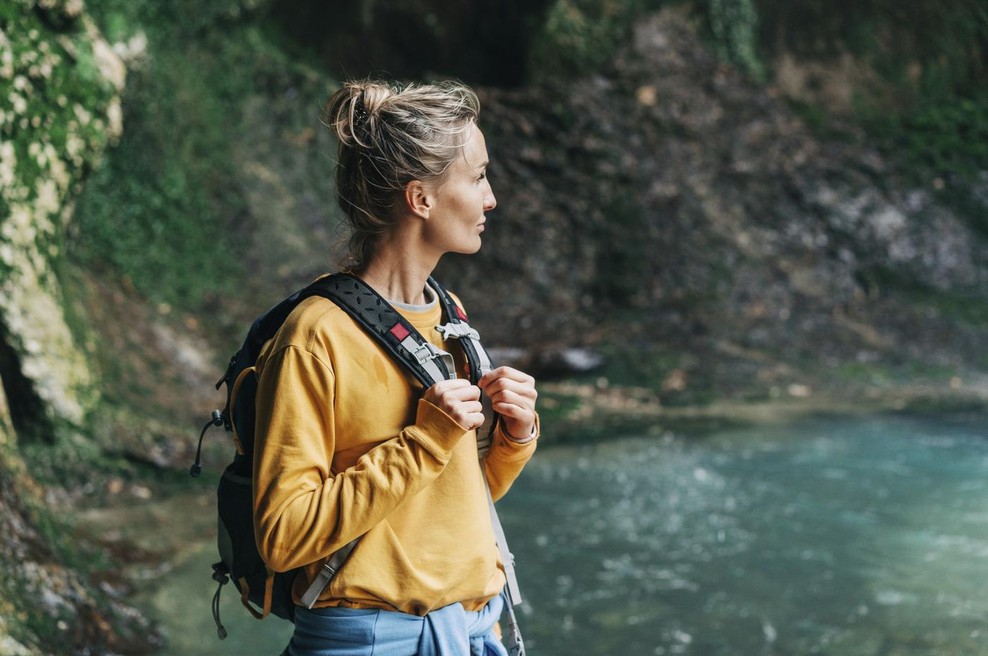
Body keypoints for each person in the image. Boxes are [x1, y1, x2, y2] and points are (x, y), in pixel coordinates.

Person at [251, 79, 540, 656]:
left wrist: (513, 437)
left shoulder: (448, 314)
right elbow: (283, 537)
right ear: (421, 198)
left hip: (474, 630)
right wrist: (423, 441)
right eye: (479, 176)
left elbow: (442, 502)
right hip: (368, 642)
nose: (491, 199)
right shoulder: (315, 337)